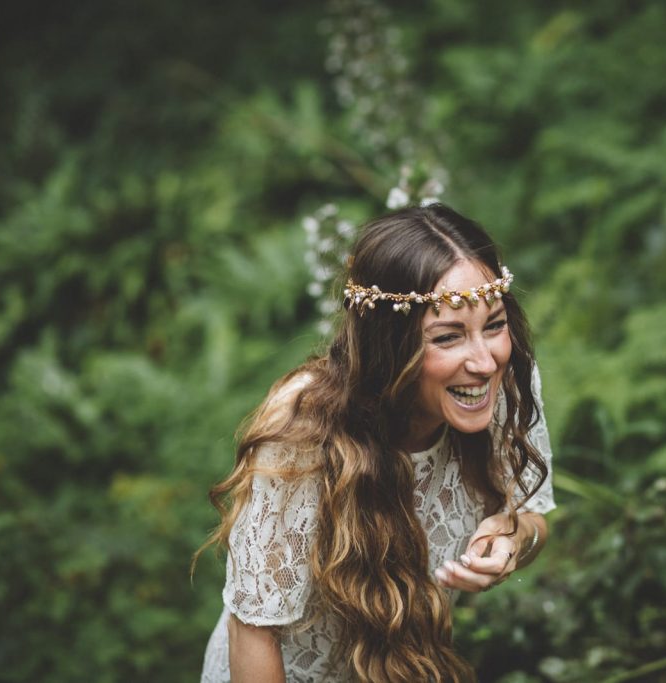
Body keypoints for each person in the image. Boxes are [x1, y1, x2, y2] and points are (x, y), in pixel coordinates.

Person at [196, 203, 555, 682]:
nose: (484, 361)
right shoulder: (304, 430)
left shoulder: (504, 386)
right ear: (390, 345)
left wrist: (513, 537)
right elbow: (255, 627)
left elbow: (533, 517)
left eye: (493, 325)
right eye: (448, 337)